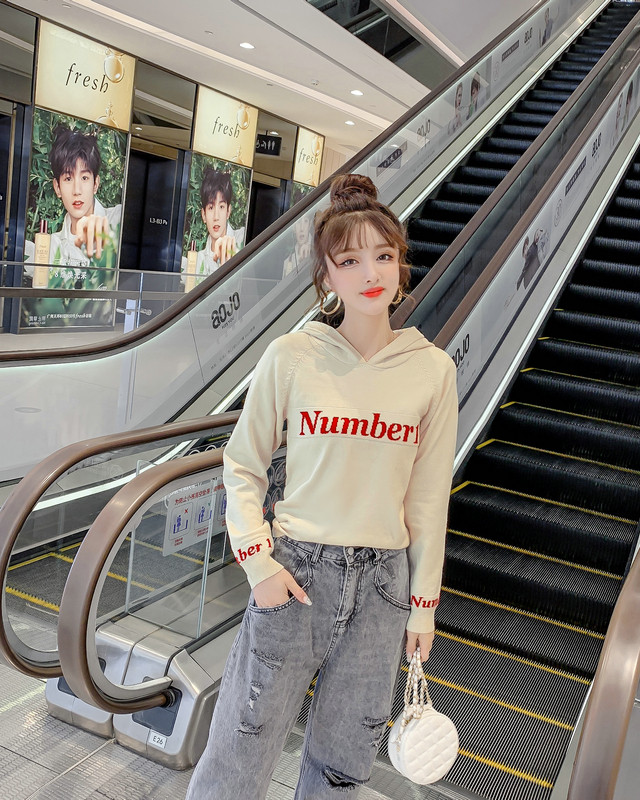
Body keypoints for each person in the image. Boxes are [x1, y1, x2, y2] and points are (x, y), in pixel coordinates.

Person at [186, 174, 458, 800]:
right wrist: (257, 561)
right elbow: (243, 463)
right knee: (240, 750)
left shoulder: (431, 371)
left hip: (384, 588)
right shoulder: (292, 355)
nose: (370, 273)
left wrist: (423, 602)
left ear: (401, 265)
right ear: (326, 276)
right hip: (296, 571)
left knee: (344, 765)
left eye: (383, 256)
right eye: (349, 260)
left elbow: (427, 498)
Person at [24, 124, 122, 272]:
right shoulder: (51, 248)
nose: (77, 191)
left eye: (84, 178)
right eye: (68, 179)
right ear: (57, 187)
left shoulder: (118, 220)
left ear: (95, 184)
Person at [182, 166, 246, 282]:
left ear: (228, 211)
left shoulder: (242, 239)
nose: (216, 217)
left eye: (221, 207)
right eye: (211, 207)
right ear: (204, 215)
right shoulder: (197, 261)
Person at [283, 213, 314, 277]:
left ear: (310, 225)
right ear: (293, 227)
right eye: (299, 222)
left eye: (305, 221)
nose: (302, 228)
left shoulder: (319, 251)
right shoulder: (288, 262)